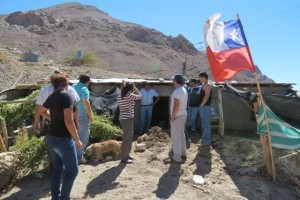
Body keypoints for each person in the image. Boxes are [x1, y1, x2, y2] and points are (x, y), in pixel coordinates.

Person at [39, 74, 82, 200]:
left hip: (51, 138)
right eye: (68, 84)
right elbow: (69, 121)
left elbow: (41, 110)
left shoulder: (52, 96)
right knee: (73, 171)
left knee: (57, 169)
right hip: (63, 139)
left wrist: (54, 119)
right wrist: (77, 139)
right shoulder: (67, 96)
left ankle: (56, 197)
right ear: (65, 84)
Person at [165, 74, 188, 164]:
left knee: (176, 137)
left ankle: (177, 157)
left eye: (173, 80)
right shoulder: (183, 90)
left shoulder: (178, 91)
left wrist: (173, 116)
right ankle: (182, 154)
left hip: (177, 115)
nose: (173, 82)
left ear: (176, 81)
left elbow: (176, 105)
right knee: (181, 135)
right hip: (183, 115)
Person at [117, 81, 142, 164]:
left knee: (128, 138)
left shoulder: (121, 96)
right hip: (127, 119)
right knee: (127, 139)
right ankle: (124, 158)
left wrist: (133, 90)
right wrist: (136, 90)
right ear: (130, 88)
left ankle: (126, 155)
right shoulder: (129, 96)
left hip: (124, 119)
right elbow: (139, 97)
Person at [72, 75, 94, 164]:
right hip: (82, 115)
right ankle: (79, 157)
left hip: (72, 114)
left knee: (75, 136)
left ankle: (74, 156)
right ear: (87, 82)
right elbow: (86, 103)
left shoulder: (73, 86)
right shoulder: (84, 89)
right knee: (83, 136)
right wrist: (90, 115)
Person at [198, 72, 212, 145]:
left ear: (203, 77)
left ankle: (206, 140)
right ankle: (204, 139)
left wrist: (201, 105)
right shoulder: (204, 85)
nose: (199, 79)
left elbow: (206, 96)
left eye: (199, 77)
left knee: (206, 124)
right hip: (204, 106)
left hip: (205, 107)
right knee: (204, 123)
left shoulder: (207, 85)